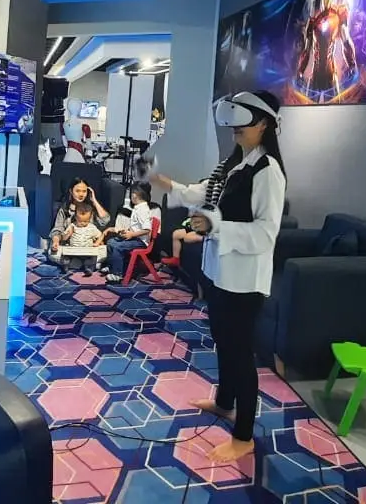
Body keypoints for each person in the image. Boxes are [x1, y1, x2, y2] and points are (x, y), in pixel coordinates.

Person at [150, 90, 287, 463]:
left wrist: (216, 226)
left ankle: (243, 436)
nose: (234, 131)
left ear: (263, 124)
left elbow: (265, 234)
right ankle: (225, 402)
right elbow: (204, 193)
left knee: (240, 353)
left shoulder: (268, 171)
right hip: (219, 271)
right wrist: (168, 185)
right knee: (223, 342)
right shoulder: (234, 162)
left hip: (244, 280)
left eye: (242, 124)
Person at [102, 184, 154, 283]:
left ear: (135, 195)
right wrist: (127, 231)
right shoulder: (138, 208)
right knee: (111, 242)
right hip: (135, 238)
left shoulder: (143, 210)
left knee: (118, 247)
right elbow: (136, 226)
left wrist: (131, 235)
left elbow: (147, 229)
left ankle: (117, 274)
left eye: (131, 194)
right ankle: (111, 266)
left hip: (140, 242)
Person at [48, 178, 110, 259]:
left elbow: (105, 220)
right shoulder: (65, 209)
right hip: (70, 247)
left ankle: (81, 262)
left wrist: (94, 201)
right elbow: (58, 229)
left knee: (104, 253)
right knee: (53, 253)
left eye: (84, 191)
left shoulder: (90, 208)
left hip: (89, 248)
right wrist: (56, 241)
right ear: (71, 191)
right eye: (77, 191)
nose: (81, 194)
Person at [60, 202, 106, 274]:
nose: (83, 223)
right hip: (73, 250)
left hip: (87, 251)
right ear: (76, 217)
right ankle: (66, 268)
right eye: (80, 221)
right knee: (65, 257)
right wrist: (69, 234)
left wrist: (97, 243)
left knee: (93, 258)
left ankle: (89, 269)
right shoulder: (72, 226)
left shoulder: (92, 227)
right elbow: (64, 238)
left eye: (86, 221)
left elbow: (100, 235)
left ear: (90, 219)